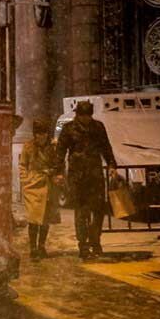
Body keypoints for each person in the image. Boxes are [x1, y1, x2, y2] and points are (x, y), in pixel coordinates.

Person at [55, 101, 117, 259]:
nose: (86, 119)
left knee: (98, 210)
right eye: (83, 116)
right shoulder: (69, 129)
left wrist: (111, 165)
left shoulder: (98, 127)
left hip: (95, 174)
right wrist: (58, 172)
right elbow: (60, 151)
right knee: (82, 212)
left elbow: (106, 147)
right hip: (78, 176)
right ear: (78, 115)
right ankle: (83, 245)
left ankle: (95, 242)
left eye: (88, 115)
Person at [18, 117, 61, 259]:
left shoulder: (53, 146)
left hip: (49, 185)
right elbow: (23, 165)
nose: (41, 136)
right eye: (38, 133)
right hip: (33, 186)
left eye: (44, 133)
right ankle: (33, 248)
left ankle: (41, 246)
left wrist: (56, 174)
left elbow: (59, 164)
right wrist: (25, 180)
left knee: (45, 219)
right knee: (34, 219)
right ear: (34, 134)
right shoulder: (28, 146)